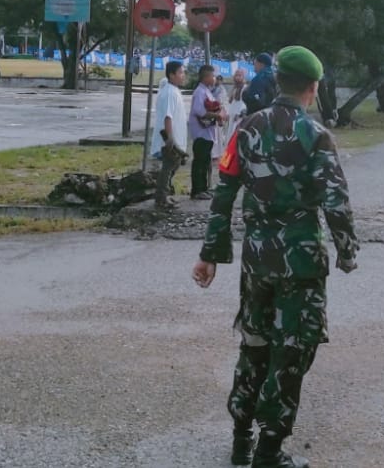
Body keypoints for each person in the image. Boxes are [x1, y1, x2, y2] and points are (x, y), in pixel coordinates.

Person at [193, 46, 358, 468]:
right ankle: (269, 450)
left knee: (254, 344)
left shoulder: (246, 127)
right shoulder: (316, 135)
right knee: (291, 353)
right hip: (301, 263)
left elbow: (224, 190)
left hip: (258, 260)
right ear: (313, 87)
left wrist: (211, 253)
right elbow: (336, 200)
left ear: (278, 81)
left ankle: (240, 439)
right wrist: (346, 249)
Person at [149, 60, 190, 209]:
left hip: (176, 136)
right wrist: (170, 136)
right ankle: (161, 198)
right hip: (169, 138)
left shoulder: (174, 90)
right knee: (168, 167)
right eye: (180, 72)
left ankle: (165, 194)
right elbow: (168, 116)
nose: (183, 75)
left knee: (174, 165)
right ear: (172, 75)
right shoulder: (168, 93)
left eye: (183, 72)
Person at [191, 65, 224, 201]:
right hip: (201, 132)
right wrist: (217, 116)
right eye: (212, 76)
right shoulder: (200, 92)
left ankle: (204, 188)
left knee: (205, 161)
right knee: (200, 161)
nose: (214, 78)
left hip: (208, 132)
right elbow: (200, 111)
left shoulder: (207, 91)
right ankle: (197, 190)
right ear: (206, 77)